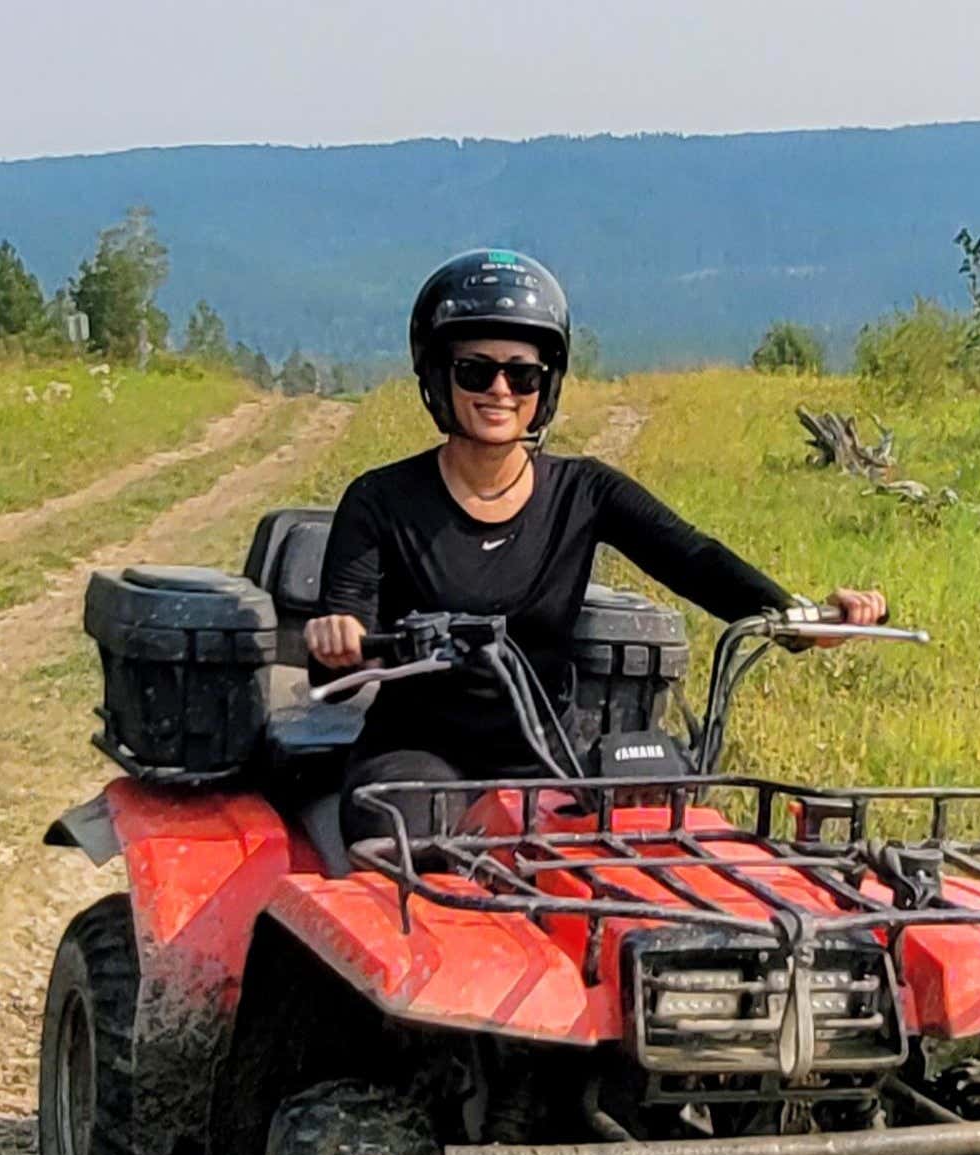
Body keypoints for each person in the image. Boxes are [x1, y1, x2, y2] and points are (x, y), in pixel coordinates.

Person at [308, 250, 889, 841]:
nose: (501, 390)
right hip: (416, 758)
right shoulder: (380, 499)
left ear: (546, 384)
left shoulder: (584, 491)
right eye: (475, 371)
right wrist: (340, 641)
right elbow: (343, 633)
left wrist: (798, 616)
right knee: (418, 849)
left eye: (523, 374)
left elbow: (694, 559)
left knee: (638, 851)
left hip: (545, 756)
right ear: (438, 375)